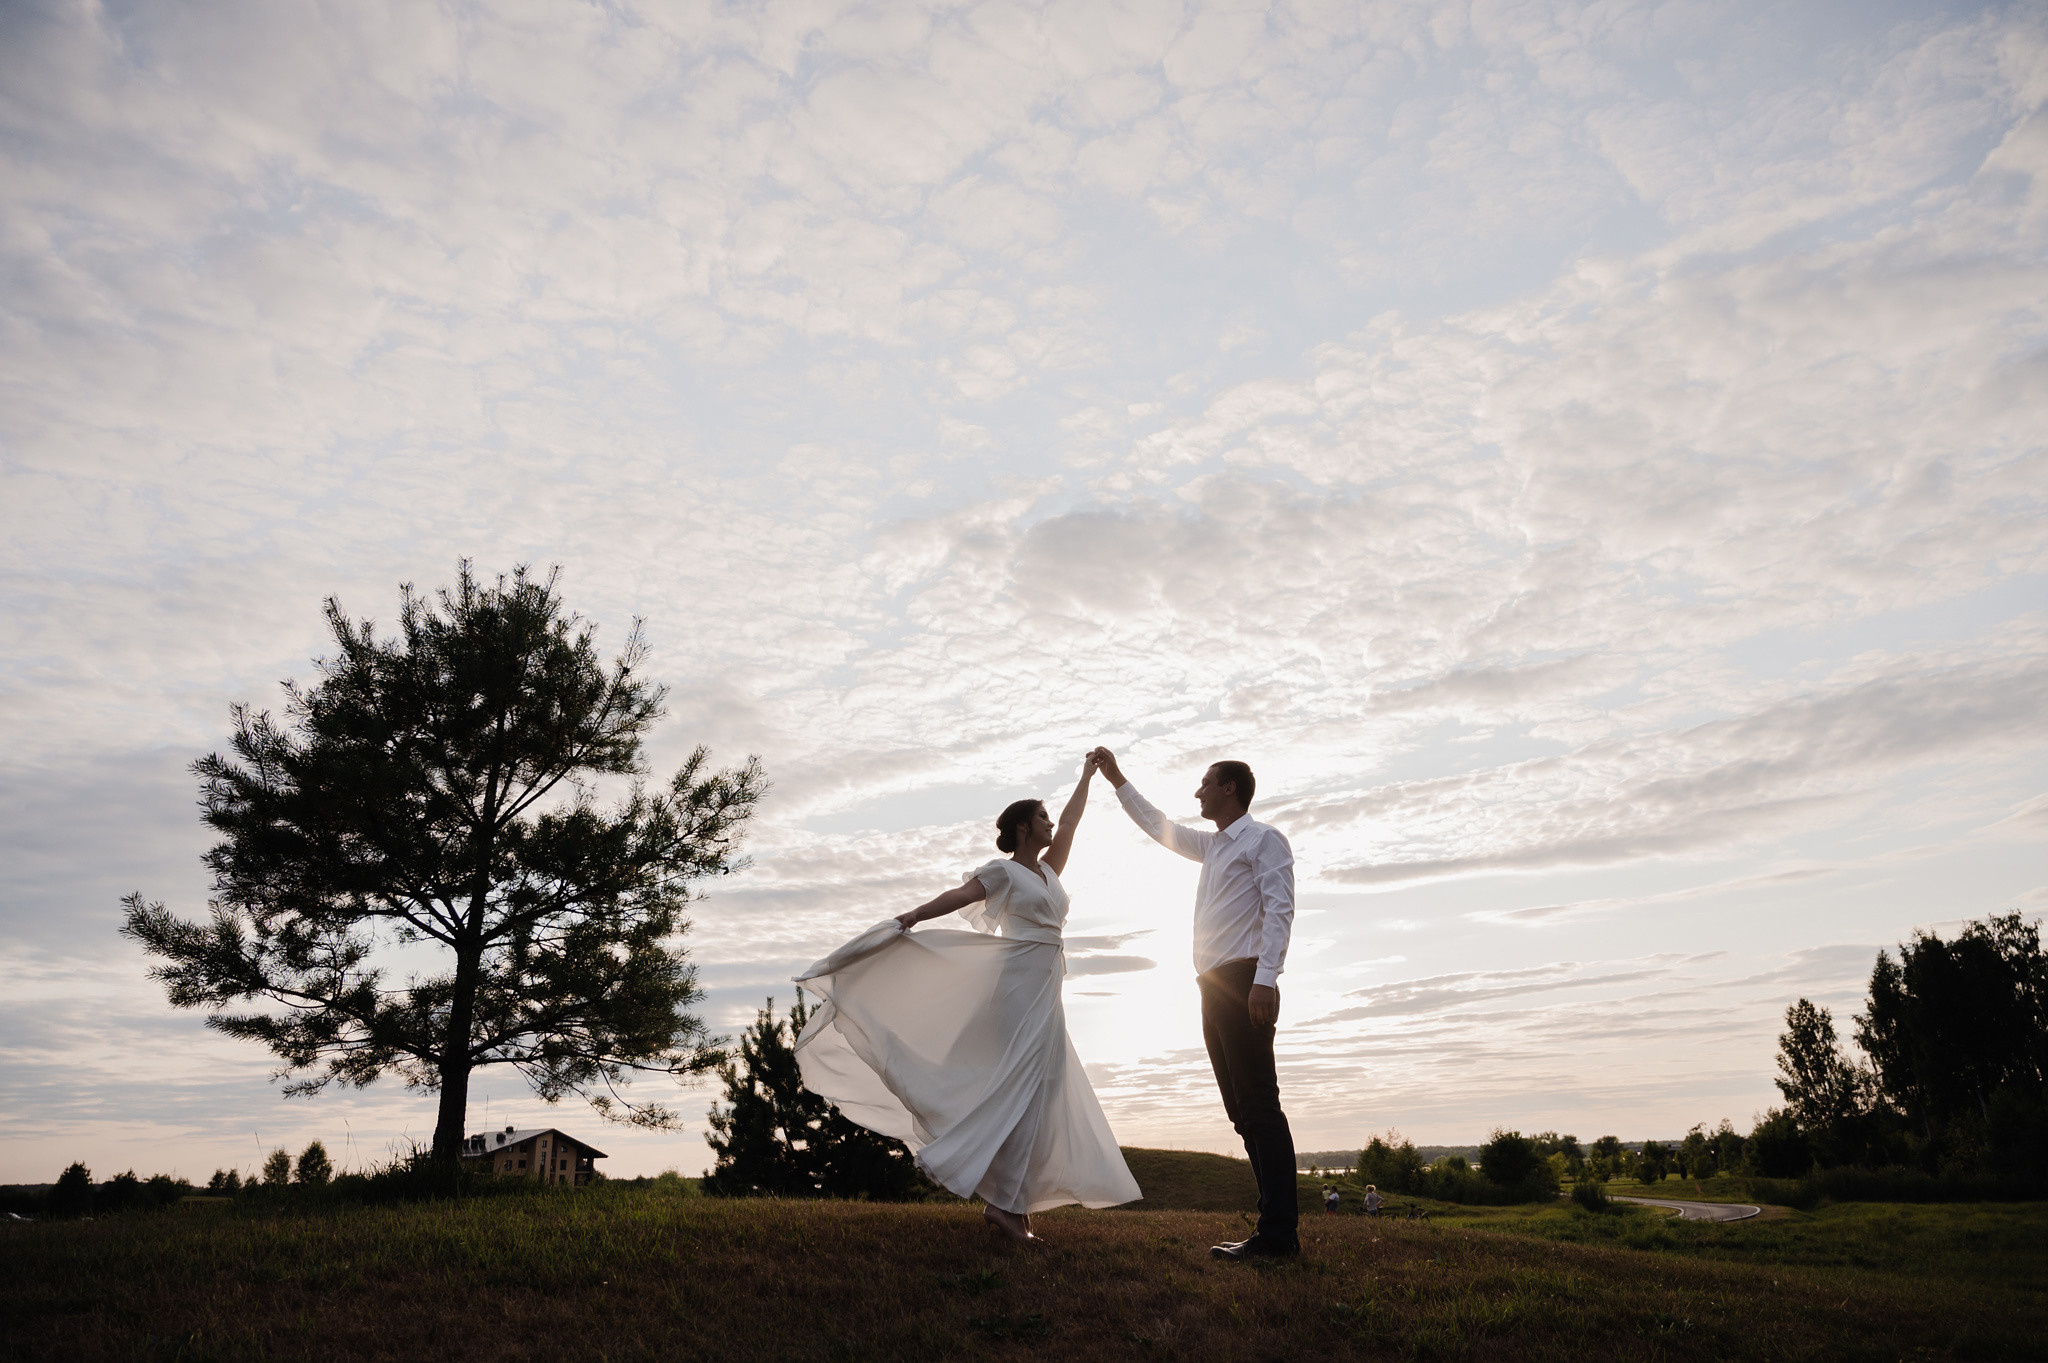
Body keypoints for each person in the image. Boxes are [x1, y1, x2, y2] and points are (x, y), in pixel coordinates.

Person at [790, 756, 1141, 1243]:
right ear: (1022, 827)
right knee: (1023, 1090)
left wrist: (1087, 778)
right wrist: (911, 917)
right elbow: (957, 896)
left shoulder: (1049, 872)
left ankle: (1011, 1204)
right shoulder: (1004, 873)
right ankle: (1005, 1206)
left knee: (1043, 1090)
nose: (1051, 822)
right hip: (1017, 990)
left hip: (1046, 991)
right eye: (1042, 817)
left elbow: (1075, 821)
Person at [1090, 747, 1299, 1261]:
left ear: (1230, 788)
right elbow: (1157, 824)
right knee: (1239, 1110)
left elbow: (1280, 911)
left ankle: (1278, 1237)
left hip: (1245, 980)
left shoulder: (1264, 839)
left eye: (1206, 784)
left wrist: (1266, 981)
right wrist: (1117, 779)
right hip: (1211, 986)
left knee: (1259, 1104)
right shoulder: (1214, 847)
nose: (1198, 792)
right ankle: (1271, 1228)